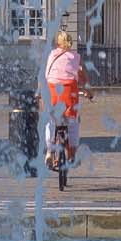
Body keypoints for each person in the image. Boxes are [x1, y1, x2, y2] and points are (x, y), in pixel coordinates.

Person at [42, 28, 87, 191]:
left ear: (57, 43)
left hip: (52, 94)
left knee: (50, 121)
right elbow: (82, 78)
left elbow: (45, 76)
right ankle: (72, 154)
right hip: (69, 96)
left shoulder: (52, 55)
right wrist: (88, 91)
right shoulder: (75, 57)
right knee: (73, 123)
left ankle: (48, 152)